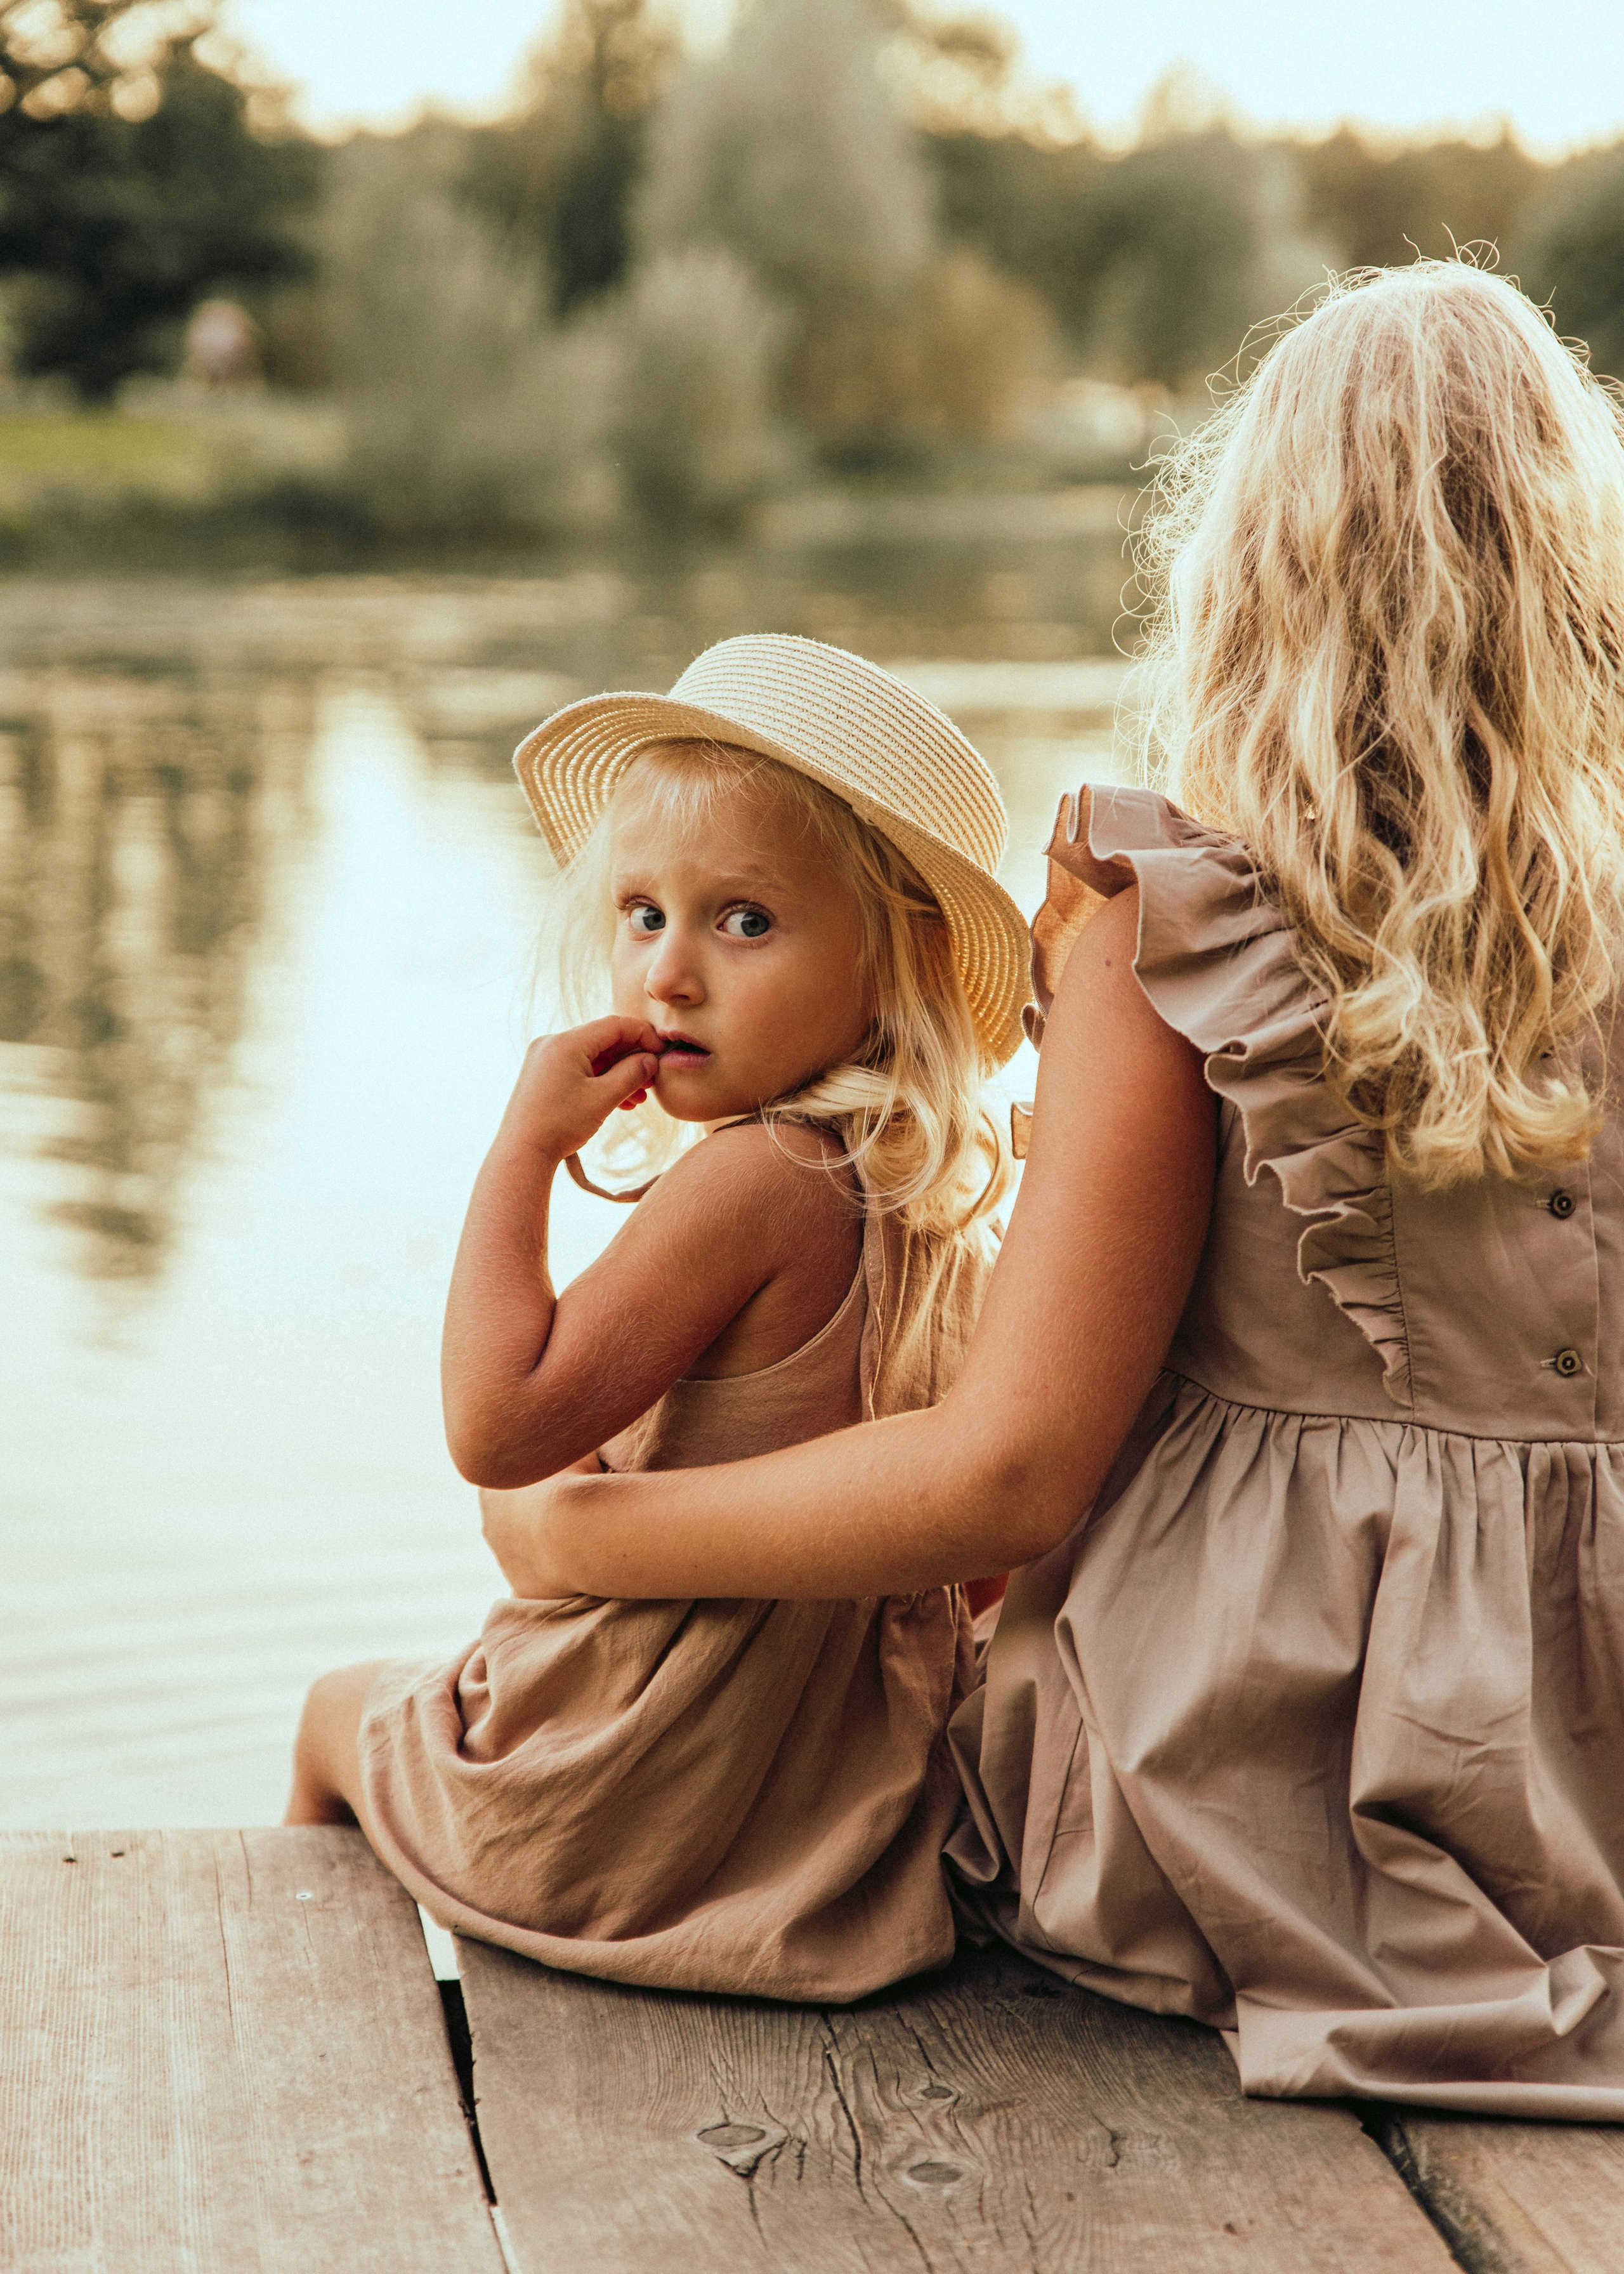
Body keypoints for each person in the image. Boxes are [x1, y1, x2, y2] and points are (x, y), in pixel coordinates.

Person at [485, 265, 1624, 2119]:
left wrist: (576, 1537)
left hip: (1254, 1813)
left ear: (1253, 576)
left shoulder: (1187, 934)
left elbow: (1010, 1472)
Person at [285, 634, 1030, 2001]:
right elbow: (970, 1577)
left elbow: (496, 1425)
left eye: (742, 921)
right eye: (642, 914)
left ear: (895, 963)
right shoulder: (929, 1209)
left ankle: (300, 2011)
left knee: (334, 1713)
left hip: (626, 1794)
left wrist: (517, 1149)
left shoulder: (756, 1180)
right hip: (836, 1810)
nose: (667, 976)